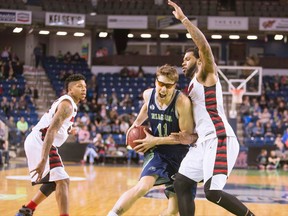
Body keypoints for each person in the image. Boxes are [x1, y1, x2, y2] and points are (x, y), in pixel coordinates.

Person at [168, 1, 255, 215]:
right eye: (182, 60)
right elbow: (201, 123)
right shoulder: (190, 86)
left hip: (220, 138)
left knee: (212, 192)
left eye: (187, 59)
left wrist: (184, 20)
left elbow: (204, 47)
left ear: (199, 61)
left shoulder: (206, 75)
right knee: (180, 182)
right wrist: (189, 138)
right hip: (203, 142)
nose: (183, 62)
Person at [108, 64, 197, 216]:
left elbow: (185, 138)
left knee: (172, 211)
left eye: (168, 86)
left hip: (180, 154)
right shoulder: (148, 95)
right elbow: (146, 108)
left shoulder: (181, 102)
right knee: (143, 186)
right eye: (160, 84)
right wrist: (136, 123)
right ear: (156, 81)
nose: (163, 89)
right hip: (158, 153)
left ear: (174, 86)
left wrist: (154, 140)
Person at [15, 74, 87, 216]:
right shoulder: (67, 105)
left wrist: (69, 130)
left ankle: (26, 210)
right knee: (63, 181)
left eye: (85, 86)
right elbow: (51, 130)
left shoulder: (69, 104)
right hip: (40, 140)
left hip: (39, 140)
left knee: (55, 182)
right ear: (70, 90)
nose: (84, 89)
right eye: (79, 86)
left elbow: (56, 125)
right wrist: (43, 160)